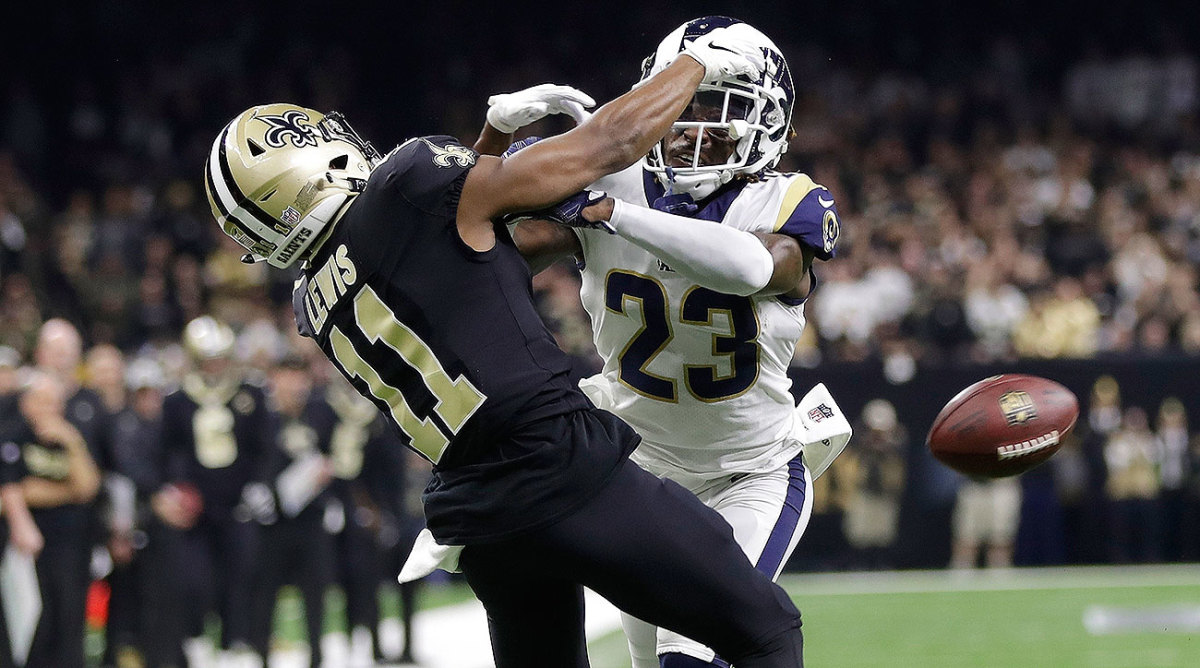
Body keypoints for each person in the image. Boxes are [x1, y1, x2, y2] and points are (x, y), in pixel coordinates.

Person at [205, 25, 808, 668]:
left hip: (479, 517)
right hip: (559, 466)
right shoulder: (403, 186)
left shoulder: (312, 301)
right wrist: (698, 61)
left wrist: (491, 142)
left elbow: (462, 249)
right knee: (763, 630)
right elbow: (610, 143)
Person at [496, 16, 843, 667]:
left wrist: (613, 212)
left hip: (749, 474)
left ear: (770, 122)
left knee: (693, 657)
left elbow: (752, 268)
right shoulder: (614, 183)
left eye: (722, 107)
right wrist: (515, 165)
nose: (698, 127)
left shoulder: (787, 202)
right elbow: (494, 257)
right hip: (638, 473)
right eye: (685, 105)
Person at [161, 316, 273, 666]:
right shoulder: (177, 399)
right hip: (197, 503)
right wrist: (178, 488)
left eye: (220, 356)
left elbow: (264, 446)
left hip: (238, 500)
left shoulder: (249, 393)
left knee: (240, 576)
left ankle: (233, 643)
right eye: (208, 358)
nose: (216, 365)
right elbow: (170, 449)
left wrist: (259, 484)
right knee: (194, 580)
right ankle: (195, 638)